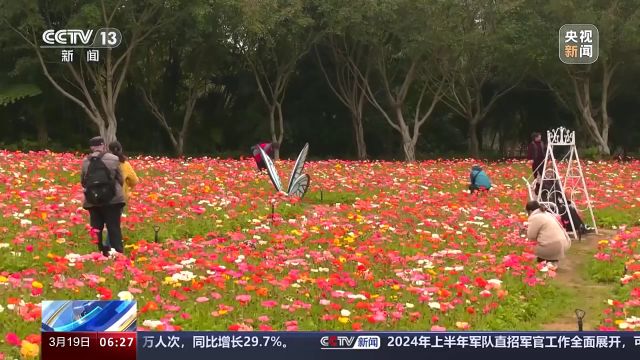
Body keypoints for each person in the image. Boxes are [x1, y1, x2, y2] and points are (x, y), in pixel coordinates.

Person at [81, 136, 126, 257]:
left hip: (93, 200)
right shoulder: (114, 159)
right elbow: (120, 179)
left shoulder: (85, 161)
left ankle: (100, 252)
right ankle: (118, 253)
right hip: (113, 200)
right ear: (103, 145)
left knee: (96, 228)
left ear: (91, 147)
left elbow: (84, 182)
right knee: (113, 227)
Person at [526, 200, 571, 266]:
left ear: (530, 211)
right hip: (564, 244)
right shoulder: (547, 214)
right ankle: (551, 261)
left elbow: (531, 236)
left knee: (528, 245)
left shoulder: (535, 217)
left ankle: (545, 260)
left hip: (551, 247)